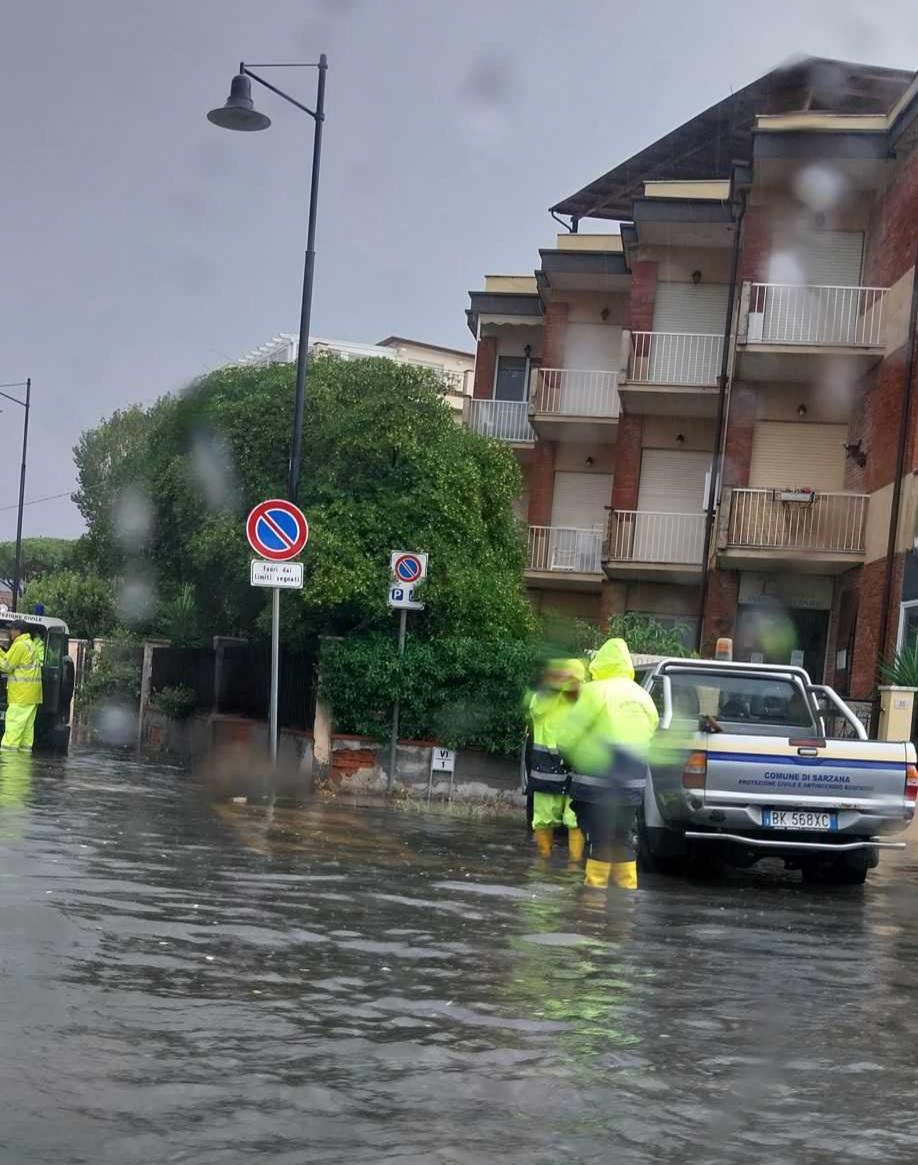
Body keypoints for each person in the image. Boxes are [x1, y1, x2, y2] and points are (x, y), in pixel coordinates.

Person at [556, 638, 659, 891]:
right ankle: (626, 893)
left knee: (599, 839)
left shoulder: (595, 691)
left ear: (600, 662)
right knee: (621, 839)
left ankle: (594, 898)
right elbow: (653, 731)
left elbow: (567, 737)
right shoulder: (643, 696)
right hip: (632, 787)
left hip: (597, 786)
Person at [524, 658, 587, 861]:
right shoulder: (546, 698)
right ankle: (564, 866)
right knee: (556, 820)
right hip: (557, 773)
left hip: (557, 772)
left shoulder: (584, 699)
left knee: (569, 820)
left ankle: (551, 865)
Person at [0, 621, 44, 752]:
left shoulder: (19, 645)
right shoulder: (29, 644)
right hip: (32, 696)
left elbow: (6, 666)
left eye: (11, 630)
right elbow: (9, 658)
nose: (10, 633)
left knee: (13, 727)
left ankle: (8, 763)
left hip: (21, 696)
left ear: (18, 631)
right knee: (26, 734)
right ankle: (22, 764)